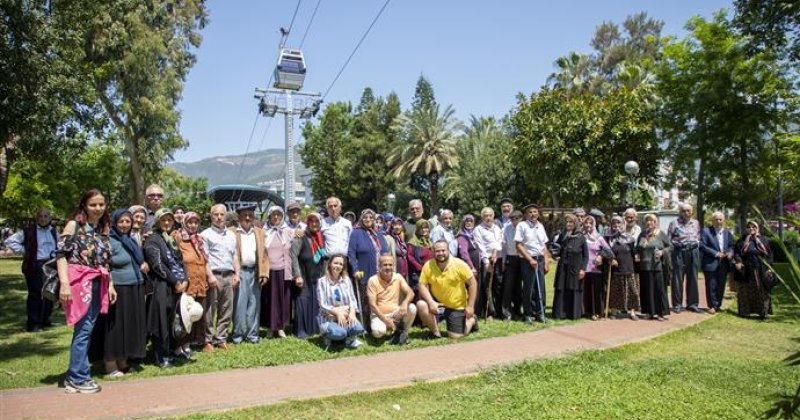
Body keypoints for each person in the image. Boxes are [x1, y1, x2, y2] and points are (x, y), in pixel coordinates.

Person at [57, 189, 115, 393]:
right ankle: (78, 377)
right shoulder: (74, 225)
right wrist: (64, 284)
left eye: (101, 204)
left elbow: (105, 261)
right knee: (83, 330)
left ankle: (76, 374)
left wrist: (110, 284)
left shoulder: (102, 228)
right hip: (80, 282)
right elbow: (61, 254)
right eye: (93, 204)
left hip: (99, 281)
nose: (98, 208)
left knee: (87, 329)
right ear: (84, 205)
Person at [103, 209, 148, 377]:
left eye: (127, 222)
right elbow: (105, 266)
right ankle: (110, 364)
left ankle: (123, 361)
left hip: (135, 286)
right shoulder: (109, 241)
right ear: (115, 223)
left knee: (128, 326)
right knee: (116, 327)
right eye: (121, 221)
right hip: (118, 287)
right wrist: (110, 285)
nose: (124, 225)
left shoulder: (130, 240)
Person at [144, 208, 187, 367]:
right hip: (161, 285)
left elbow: (181, 262)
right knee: (160, 321)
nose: (167, 223)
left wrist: (185, 280)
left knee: (172, 320)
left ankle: (169, 352)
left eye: (169, 220)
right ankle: (160, 356)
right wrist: (175, 281)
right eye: (164, 220)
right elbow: (157, 265)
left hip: (176, 287)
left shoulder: (171, 240)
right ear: (157, 221)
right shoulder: (152, 240)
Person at [4, 208, 59, 332]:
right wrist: (26, 251)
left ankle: (45, 320)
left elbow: (60, 245)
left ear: (49, 218)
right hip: (35, 265)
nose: (43, 218)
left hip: (51, 265)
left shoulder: (54, 232)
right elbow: (10, 241)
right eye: (41, 216)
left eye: (46, 216)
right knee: (35, 294)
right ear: (37, 218)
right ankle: (34, 323)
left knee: (50, 293)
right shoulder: (28, 231)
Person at [416, 241, 478, 339]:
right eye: (437, 251)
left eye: (443, 250)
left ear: (449, 251)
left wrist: (470, 306)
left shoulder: (459, 264)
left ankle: (472, 320)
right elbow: (422, 285)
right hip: (438, 305)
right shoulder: (428, 265)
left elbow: (472, 284)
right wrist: (431, 302)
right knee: (421, 304)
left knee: (455, 336)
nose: (440, 253)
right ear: (433, 252)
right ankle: (436, 333)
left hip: (456, 306)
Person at [173, 211, 215, 349]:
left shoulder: (200, 240)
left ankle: (198, 341)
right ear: (185, 223)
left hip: (200, 282)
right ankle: (182, 344)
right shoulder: (178, 238)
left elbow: (205, 260)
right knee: (185, 314)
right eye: (190, 222)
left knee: (199, 313)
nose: (193, 225)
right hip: (187, 283)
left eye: (196, 222)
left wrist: (209, 276)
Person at [200, 204, 239, 351]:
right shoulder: (205, 234)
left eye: (222, 214)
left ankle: (221, 338)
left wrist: (237, 273)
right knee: (210, 310)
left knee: (226, 308)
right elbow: (204, 258)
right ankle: (207, 340)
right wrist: (210, 276)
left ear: (226, 216)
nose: (219, 217)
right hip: (214, 276)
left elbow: (235, 256)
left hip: (228, 275)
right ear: (211, 216)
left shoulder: (231, 235)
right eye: (216, 214)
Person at [230, 205, 269, 344]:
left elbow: (264, 254)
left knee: (254, 304)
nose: (247, 218)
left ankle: (252, 335)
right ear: (238, 217)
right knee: (239, 305)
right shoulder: (232, 232)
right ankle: (237, 335)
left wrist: (264, 273)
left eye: (250, 215)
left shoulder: (259, 232)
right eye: (244, 215)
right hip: (240, 272)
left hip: (255, 272)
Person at [348, 209, 388, 325]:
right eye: (365, 217)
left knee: (379, 299)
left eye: (371, 217)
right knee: (366, 300)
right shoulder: (356, 233)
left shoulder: (378, 233)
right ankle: (366, 325)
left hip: (380, 273)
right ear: (361, 219)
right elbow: (351, 253)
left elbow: (384, 251)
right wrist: (355, 269)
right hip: (364, 272)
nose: (368, 220)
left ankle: (380, 323)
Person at [316, 254, 364, 348]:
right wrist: (337, 312)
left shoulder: (346, 280)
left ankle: (349, 339)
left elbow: (352, 300)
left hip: (346, 315)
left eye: (341, 264)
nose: (338, 266)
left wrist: (352, 313)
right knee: (339, 333)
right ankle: (328, 336)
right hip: (328, 318)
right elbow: (322, 304)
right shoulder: (322, 281)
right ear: (329, 264)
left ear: (343, 267)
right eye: (335, 263)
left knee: (358, 328)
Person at [367, 255, 416, 344]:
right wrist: (385, 320)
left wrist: (404, 303)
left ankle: (402, 333)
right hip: (379, 315)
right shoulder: (373, 280)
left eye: (390, 265)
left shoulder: (398, 277)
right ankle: (391, 331)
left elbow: (411, 293)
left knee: (412, 308)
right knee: (378, 332)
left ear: (393, 266)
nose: (388, 267)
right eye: (385, 265)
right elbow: (372, 305)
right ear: (379, 266)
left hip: (395, 313)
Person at [290, 212, 325, 338]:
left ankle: (314, 328)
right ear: (308, 223)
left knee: (315, 301)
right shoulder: (301, 236)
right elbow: (293, 255)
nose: (314, 224)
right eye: (311, 221)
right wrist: (297, 275)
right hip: (303, 274)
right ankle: (301, 330)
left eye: (317, 221)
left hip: (317, 274)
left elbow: (324, 257)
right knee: (303, 300)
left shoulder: (321, 237)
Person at [515, 204, 551, 324]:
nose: (533, 214)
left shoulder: (540, 226)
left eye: (535, 212)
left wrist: (546, 261)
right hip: (527, 260)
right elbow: (518, 245)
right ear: (526, 214)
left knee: (540, 287)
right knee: (528, 288)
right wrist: (530, 259)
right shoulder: (522, 225)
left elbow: (544, 245)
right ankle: (528, 314)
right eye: (530, 212)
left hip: (539, 259)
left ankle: (540, 313)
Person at [264, 205, 294, 338]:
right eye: (273, 215)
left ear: (282, 216)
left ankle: (281, 327)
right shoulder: (264, 231)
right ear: (269, 216)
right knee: (269, 300)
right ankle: (270, 327)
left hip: (283, 270)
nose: (276, 217)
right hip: (269, 271)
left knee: (282, 300)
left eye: (279, 215)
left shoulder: (287, 231)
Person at [733, 221, 773, 319]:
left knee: (761, 290)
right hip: (745, 269)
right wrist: (738, 262)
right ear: (746, 229)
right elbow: (737, 253)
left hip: (760, 269)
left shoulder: (763, 239)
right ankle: (745, 312)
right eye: (749, 227)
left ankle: (762, 312)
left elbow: (769, 254)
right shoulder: (742, 240)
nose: (751, 229)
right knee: (745, 291)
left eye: (753, 227)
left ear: (757, 228)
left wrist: (769, 267)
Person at [551, 214, 588, 320]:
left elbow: (586, 255)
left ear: (575, 223)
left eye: (571, 222)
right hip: (563, 267)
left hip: (575, 267)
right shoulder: (562, 235)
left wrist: (583, 269)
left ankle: (573, 314)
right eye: (567, 222)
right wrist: (555, 255)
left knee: (574, 289)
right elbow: (555, 248)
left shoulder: (581, 236)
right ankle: (560, 313)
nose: (568, 224)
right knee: (561, 287)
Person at [636, 214, 671, 321]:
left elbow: (670, 246)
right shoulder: (642, 234)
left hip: (657, 266)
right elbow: (638, 247)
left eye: (652, 221)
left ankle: (660, 313)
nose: (649, 223)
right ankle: (649, 312)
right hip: (644, 266)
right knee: (647, 290)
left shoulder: (661, 234)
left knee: (659, 289)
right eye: (647, 221)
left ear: (656, 222)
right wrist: (637, 254)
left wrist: (662, 252)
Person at [667, 203, 701, 313]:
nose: (686, 213)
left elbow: (699, 237)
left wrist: (696, 244)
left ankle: (692, 304)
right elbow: (668, 240)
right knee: (677, 278)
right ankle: (677, 304)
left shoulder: (696, 223)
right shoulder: (674, 223)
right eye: (684, 211)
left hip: (693, 251)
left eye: (688, 211)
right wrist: (676, 244)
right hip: (679, 252)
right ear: (680, 212)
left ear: (692, 212)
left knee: (693, 278)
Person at [606, 215, 640, 320]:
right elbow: (604, 250)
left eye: (618, 223)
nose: (616, 225)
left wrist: (637, 256)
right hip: (616, 269)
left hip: (629, 268)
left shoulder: (630, 239)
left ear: (623, 224)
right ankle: (614, 311)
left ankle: (632, 312)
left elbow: (635, 252)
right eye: (614, 223)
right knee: (616, 291)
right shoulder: (608, 238)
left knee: (632, 292)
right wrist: (611, 259)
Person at [699, 211, 734, 314]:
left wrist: (730, 253)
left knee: (721, 285)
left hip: (724, 263)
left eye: (720, 219)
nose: (718, 221)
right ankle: (711, 305)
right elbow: (702, 245)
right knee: (711, 285)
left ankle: (718, 305)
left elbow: (732, 246)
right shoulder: (706, 231)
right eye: (716, 219)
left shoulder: (727, 232)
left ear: (723, 220)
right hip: (710, 262)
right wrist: (716, 253)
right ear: (712, 221)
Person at [474, 207, 503, 319]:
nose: (488, 217)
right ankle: (490, 312)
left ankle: (499, 310)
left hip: (498, 259)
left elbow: (500, 241)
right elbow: (480, 247)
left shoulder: (497, 228)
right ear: (482, 217)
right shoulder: (478, 229)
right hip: (487, 261)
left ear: (493, 216)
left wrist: (496, 252)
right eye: (485, 215)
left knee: (499, 285)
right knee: (487, 287)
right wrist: (486, 262)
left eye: (490, 215)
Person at [583, 216, 613, 321]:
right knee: (587, 291)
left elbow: (609, 252)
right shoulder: (582, 237)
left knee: (597, 292)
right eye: (586, 223)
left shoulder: (599, 238)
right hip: (585, 268)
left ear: (594, 224)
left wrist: (600, 255)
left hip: (596, 268)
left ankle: (598, 312)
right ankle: (588, 311)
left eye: (590, 223)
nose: (588, 225)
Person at [500, 210, 524, 320]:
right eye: (512, 219)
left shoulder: (524, 227)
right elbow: (504, 246)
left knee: (520, 287)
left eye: (517, 218)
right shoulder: (507, 228)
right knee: (508, 287)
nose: (514, 221)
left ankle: (518, 310)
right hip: (511, 258)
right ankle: (507, 313)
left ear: (521, 218)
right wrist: (504, 261)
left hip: (524, 258)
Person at [407, 219, 435, 294]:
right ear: (417, 229)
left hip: (431, 272)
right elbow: (410, 257)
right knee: (420, 294)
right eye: (421, 228)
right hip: (418, 273)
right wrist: (420, 268)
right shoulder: (412, 242)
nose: (424, 230)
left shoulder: (430, 241)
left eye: (426, 228)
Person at [456, 214, 480, 279]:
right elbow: (464, 254)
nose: (469, 223)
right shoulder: (462, 236)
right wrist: (471, 267)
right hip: (469, 266)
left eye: (471, 221)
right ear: (463, 223)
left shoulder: (473, 235)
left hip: (476, 264)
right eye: (467, 221)